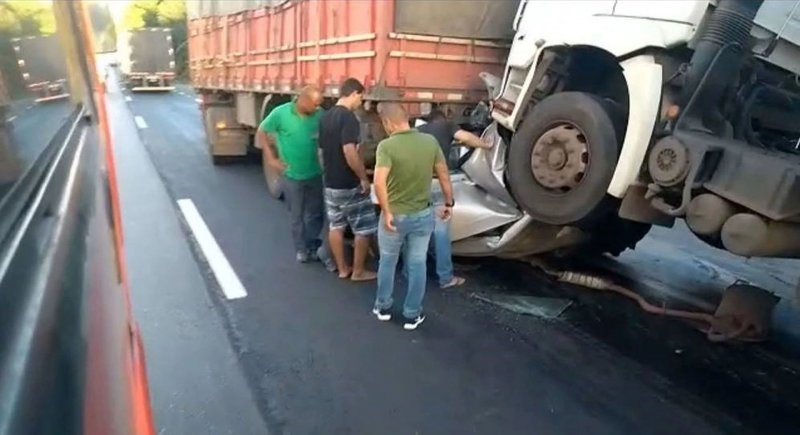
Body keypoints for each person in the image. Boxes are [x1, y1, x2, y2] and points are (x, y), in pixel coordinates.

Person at [372, 103, 454, 331]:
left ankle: (383, 306)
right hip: (423, 215)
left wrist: (387, 212)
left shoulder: (386, 147)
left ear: (388, 123)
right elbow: (444, 175)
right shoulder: (430, 142)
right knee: (417, 264)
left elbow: (379, 183)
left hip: (394, 217)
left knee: (388, 261)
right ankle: (412, 314)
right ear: (406, 119)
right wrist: (448, 203)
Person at [418, 110, 491, 289]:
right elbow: (466, 137)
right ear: (443, 119)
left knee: (417, 230)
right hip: (436, 184)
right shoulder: (447, 126)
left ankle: (412, 272)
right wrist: (485, 145)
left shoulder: (418, 132)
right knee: (441, 232)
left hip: (417, 186)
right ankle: (445, 277)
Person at [318, 78, 378, 281]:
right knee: (363, 228)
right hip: (348, 183)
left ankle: (343, 269)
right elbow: (349, 150)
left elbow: (320, 151)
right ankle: (358, 272)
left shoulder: (325, 117)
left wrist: (326, 173)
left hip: (331, 183)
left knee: (336, 226)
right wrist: (363, 178)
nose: (361, 102)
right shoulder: (349, 118)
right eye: (361, 97)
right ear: (353, 93)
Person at [258, 86, 325, 263]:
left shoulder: (319, 115)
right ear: (303, 100)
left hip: (314, 173)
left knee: (316, 213)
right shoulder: (281, 113)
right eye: (315, 104)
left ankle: (312, 245)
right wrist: (271, 158)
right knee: (297, 215)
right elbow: (262, 131)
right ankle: (301, 249)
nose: (317, 108)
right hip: (291, 175)